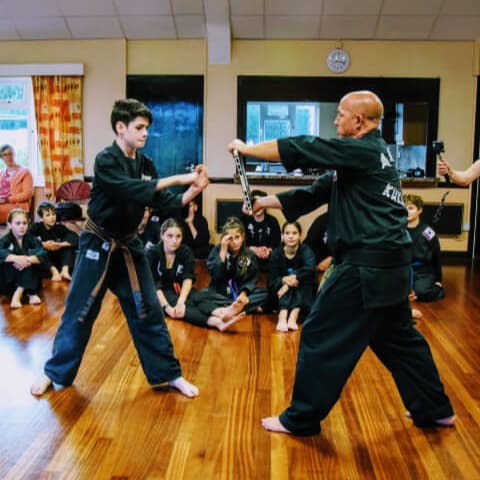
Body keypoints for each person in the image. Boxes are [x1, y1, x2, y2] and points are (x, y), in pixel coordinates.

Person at [229, 90, 455, 436]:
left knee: (320, 332)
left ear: (359, 121)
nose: (336, 120)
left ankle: (301, 419)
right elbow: (316, 191)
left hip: (366, 267)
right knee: (399, 340)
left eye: (341, 114)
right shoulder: (369, 157)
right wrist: (266, 203)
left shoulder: (362, 150)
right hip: (392, 268)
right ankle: (434, 408)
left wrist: (248, 149)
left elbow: (305, 146)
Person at [30, 98, 208, 398]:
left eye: (147, 128)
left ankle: (168, 374)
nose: (145, 133)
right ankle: (54, 373)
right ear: (120, 127)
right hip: (96, 245)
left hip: (128, 247)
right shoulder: (106, 161)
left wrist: (193, 190)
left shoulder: (144, 163)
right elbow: (128, 189)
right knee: (79, 311)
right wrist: (178, 177)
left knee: (148, 309)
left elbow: (161, 201)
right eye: (139, 127)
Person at [147, 218, 246, 331]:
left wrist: (181, 300)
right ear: (162, 236)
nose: (174, 240)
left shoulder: (185, 251)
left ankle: (222, 312)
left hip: (179, 288)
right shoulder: (152, 253)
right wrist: (167, 308)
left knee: (197, 296)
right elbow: (154, 285)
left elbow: (187, 278)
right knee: (183, 308)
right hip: (158, 294)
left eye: (178, 236)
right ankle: (217, 322)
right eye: (170, 236)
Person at [200, 216, 268, 316]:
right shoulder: (217, 250)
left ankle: (230, 307)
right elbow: (215, 275)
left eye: (237, 237)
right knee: (201, 295)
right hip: (220, 292)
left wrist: (243, 294)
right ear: (224, 238)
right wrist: (223, 250)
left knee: (266, 294)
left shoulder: (249, 254)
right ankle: (244, 307)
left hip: (241, 292)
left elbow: (252, 279)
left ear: (243, 236)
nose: (234, 242)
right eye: (230, 238)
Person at [267, 221, 317, 332]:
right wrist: (284, 280)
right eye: (287, 233)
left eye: (294, 233)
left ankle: (293, 315)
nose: (291, 236)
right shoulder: (276, 254)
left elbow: (310, 270)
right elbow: (272, 280)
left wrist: (290, 281)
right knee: (288, 284)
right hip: (280, 294)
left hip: (304, 291)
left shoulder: (306, 251)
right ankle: (283, 315)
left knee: (303, 283)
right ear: (282, 236)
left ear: (300, 236)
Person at [0, 208, 47, 308]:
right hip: (10, 279)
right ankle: (30, 293)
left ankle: (19, 292)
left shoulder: (31, 238)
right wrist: (15, 258)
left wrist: (28, 260)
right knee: (11, 258)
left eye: (24, 223)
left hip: (29, 276)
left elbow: (43, 252)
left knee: (31, 261)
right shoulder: (6, 239)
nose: (22, 226)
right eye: (17, 223)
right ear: (10, 225)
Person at [404, 194, 445, 302]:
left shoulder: (427, 232)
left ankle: (436, 290)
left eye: (411, 208)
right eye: (404, 208)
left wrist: (438, 279)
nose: (407, 211)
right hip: (403, 269)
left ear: (420, 210)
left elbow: (436, 255)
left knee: (421, 291)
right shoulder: (398, 230)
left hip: (423, 271)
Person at [29, 201, 79, 281]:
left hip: (59, 261)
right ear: (42, 218)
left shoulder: (60, 228)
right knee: (39, 251)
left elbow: (75, 237)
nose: (52, 217)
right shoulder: (36, 227)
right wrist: (43, 244)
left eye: (53, 214)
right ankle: (54, 272)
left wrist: (60, 245)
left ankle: (65, 271)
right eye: (48, 215)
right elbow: (27, 239)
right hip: (46, 264)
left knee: (68, 246)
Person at [241, 190, 281, 271]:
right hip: (249, 254)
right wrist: (253, 249)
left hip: (267, 256)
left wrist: (269, 250)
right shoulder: (243, 220)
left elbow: (277, 243)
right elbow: (239, 243)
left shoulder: (272, 221)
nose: (258, 206)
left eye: (260, 203)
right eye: (255, 203)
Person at [0, 144, 34, 224]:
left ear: (14, 154)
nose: (8, 156)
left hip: (17, 205)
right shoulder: (1, 173)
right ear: (1, 158)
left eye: (10, 153)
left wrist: (8, 199)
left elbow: (27, 194)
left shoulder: (25, 172)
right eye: (5, 155)